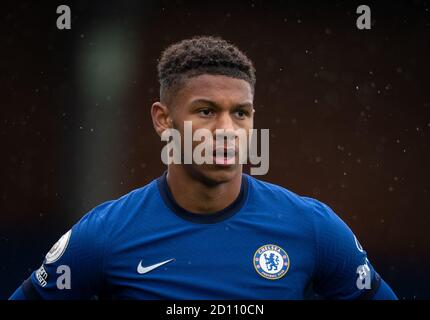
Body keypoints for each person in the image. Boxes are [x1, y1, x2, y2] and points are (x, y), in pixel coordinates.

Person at [9, 36, 397, 300]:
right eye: (206, 111)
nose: (226, 130)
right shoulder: (104, 236)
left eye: (240, 113)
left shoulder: (313, 228)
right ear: (163, 120)